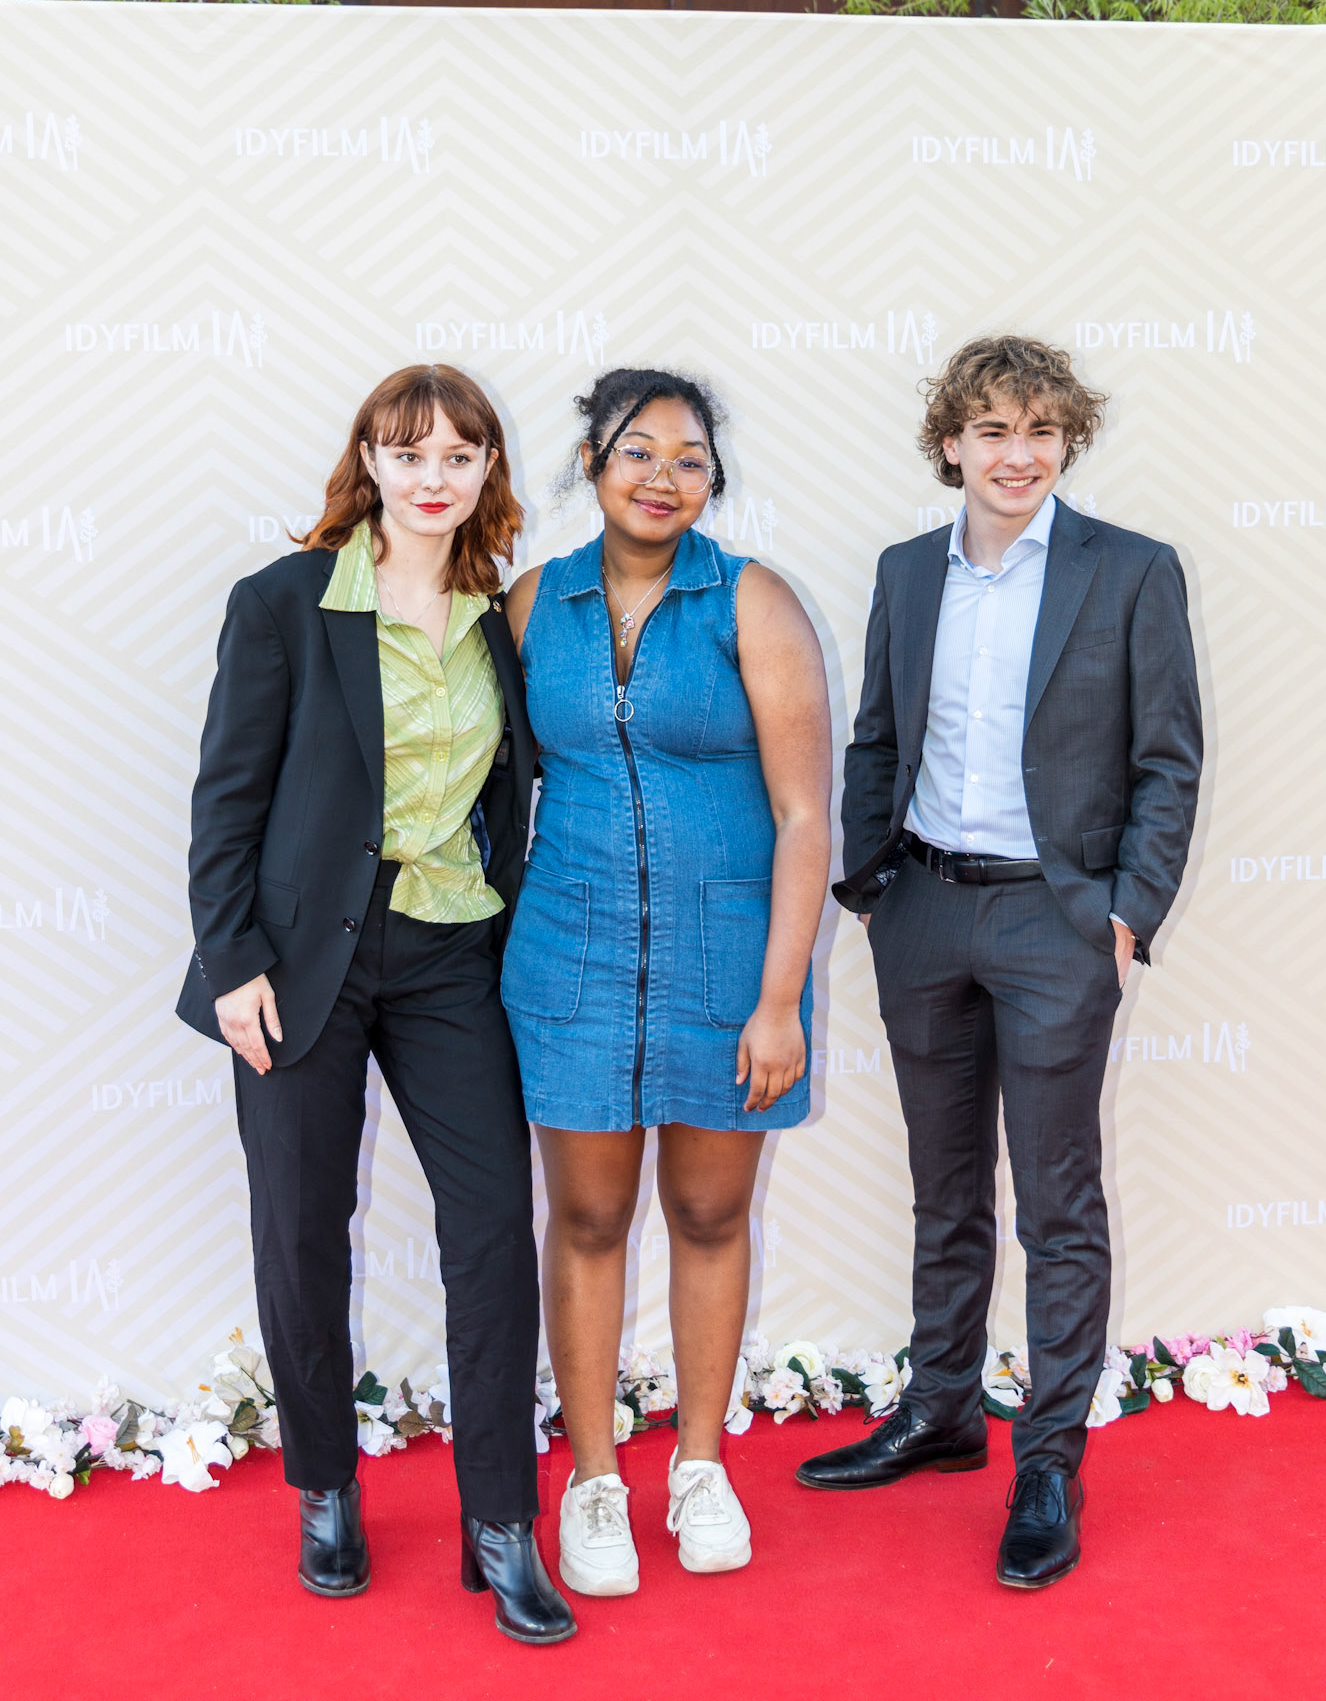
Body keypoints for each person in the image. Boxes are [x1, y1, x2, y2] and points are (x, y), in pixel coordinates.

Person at [175, 364, 574, 1646]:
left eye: (459, 454)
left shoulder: (499, 617)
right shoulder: (286, 602)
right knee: (301, 1227)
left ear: (487, 469)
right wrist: (232, 961)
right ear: (370, 461)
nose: (432, 476)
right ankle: (326, 1486)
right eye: (408, 452)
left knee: (492, 1233)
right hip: (301, 962)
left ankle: (500, 1522)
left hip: (453, 952)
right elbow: (226, 797)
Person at [796, 334, 1202, 1590]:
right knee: (946, 1182)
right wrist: (873, 885)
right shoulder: (905, 570)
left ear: (1067, 438)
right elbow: (876, 739)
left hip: (1055, 922)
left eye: (1040, 430)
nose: (1018, 455)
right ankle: (941, 1408)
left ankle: (1050, 1460)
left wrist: (1125, 912)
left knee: (1060, 1200)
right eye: (992, 430)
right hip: (923, 907)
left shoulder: (1131, 569)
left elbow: (1168, 760)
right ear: (952, 444)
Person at [501, 367, 832, 1598]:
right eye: (638, 450)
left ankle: (699, 1465)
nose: (663, 475)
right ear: (593, 463)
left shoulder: (755, 601)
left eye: (690, 458)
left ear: (713, 482)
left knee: (708, 1213)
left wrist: (779, 998)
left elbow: (805, 816)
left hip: (725, 966)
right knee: (587, 1219)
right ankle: (593, 1478)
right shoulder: (534, 602)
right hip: (570, 956)